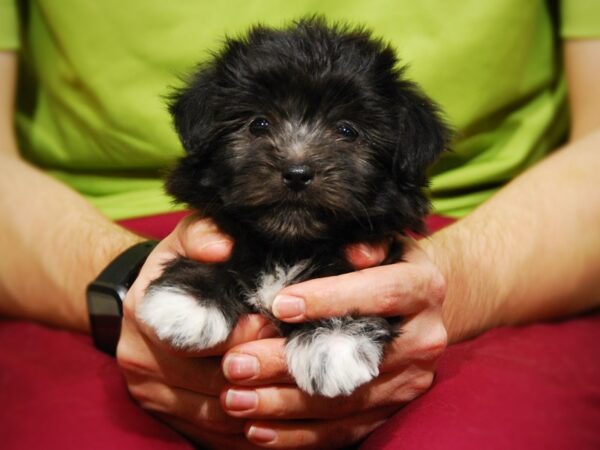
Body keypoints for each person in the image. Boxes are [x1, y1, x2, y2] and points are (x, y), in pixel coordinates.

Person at [1, 1, 599, 449]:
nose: (296, 160)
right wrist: (128, 282)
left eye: (347, 133)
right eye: (259, 125)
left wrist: (449, 285)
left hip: (502, 250)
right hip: (89, 251)